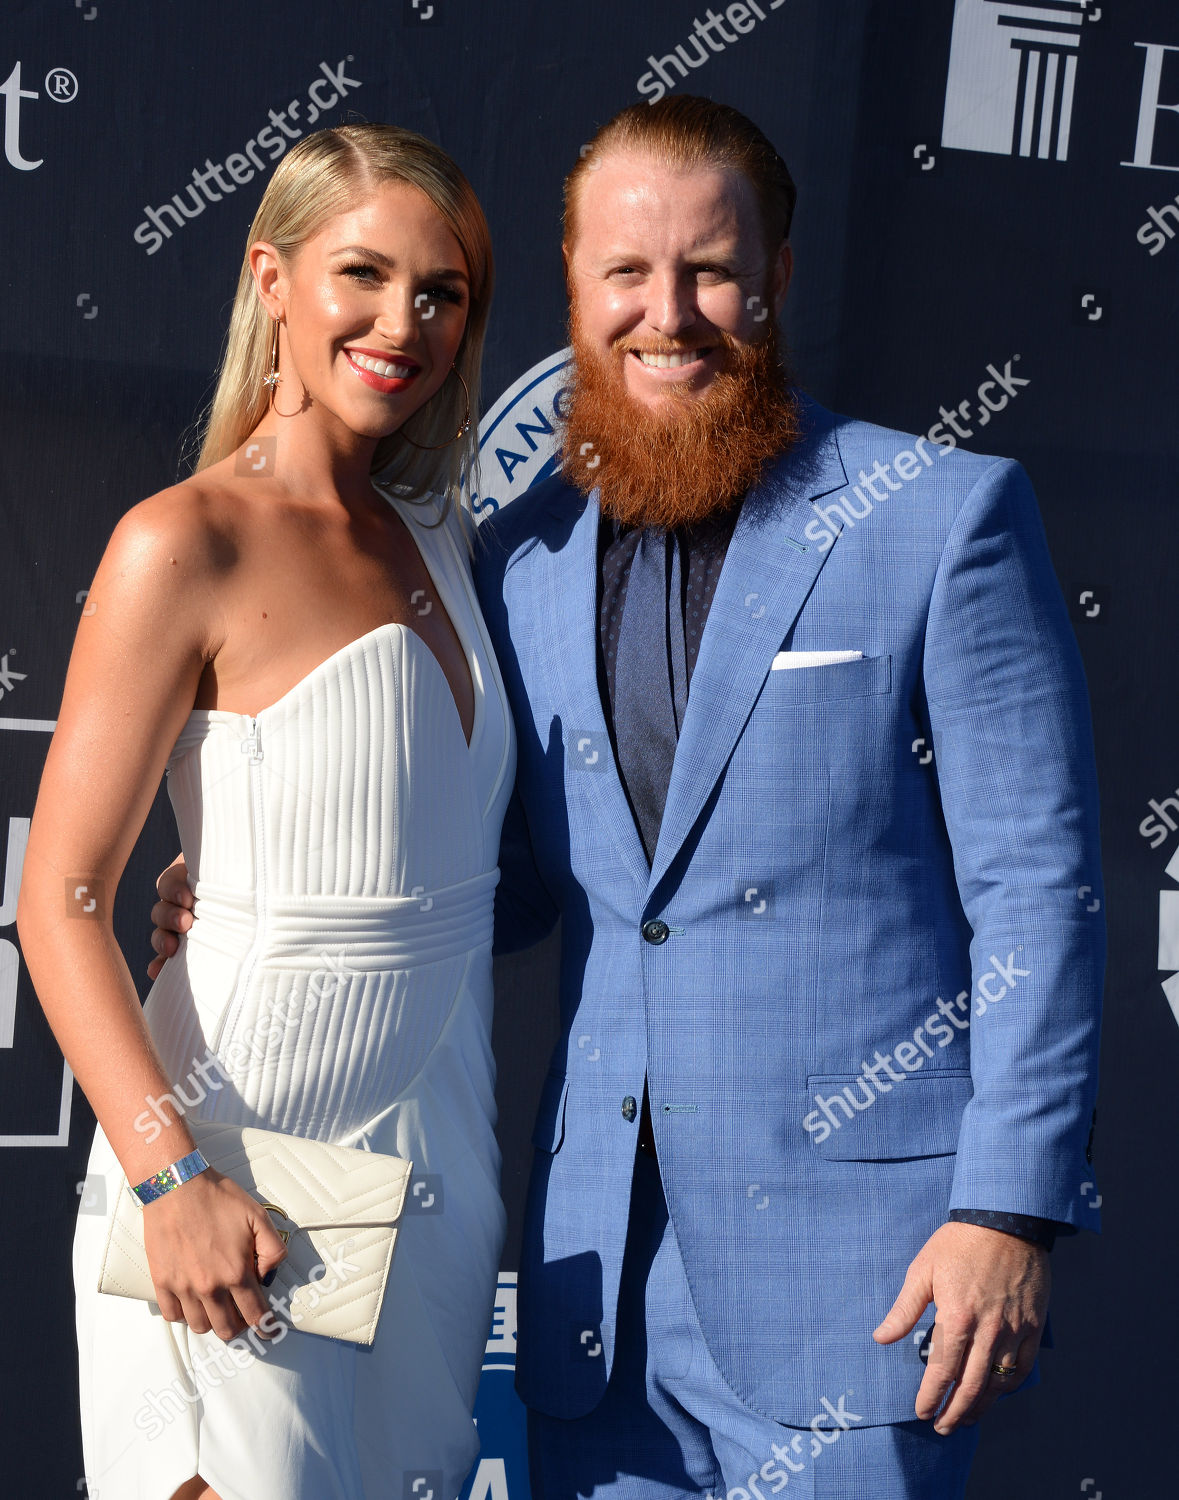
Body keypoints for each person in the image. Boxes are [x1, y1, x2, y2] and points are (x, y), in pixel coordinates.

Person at [154, 97, 1105, 1499]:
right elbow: (516, 881)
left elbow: (1041, 883)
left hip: (873, 1285)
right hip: (595, 1299)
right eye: (627, 274)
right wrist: (276, 898)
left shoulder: (936, 515)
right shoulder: (519, 560)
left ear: (777, 279)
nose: (672, 313)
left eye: (713, 270)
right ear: (574, 288)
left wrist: (1007, 1208)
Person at [17, 122, 514, 1500]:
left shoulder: (441, 539)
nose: (400, 323)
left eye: (443, 291)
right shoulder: (183, 541)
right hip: (238, 1162)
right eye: (363, 272)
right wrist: (171, 1184)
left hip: (438, 1158)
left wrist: (221, 865)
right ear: (271, 279)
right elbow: (56, 902)